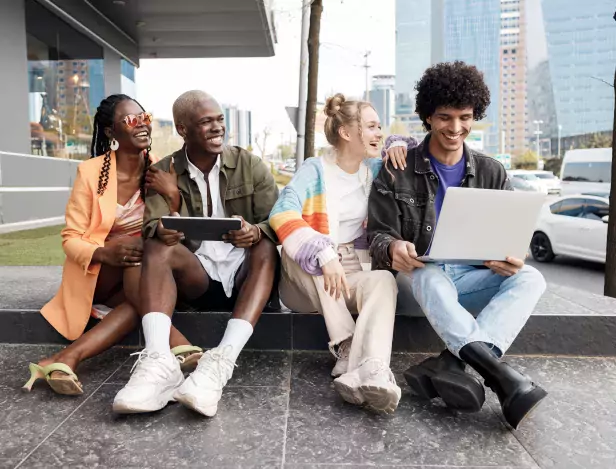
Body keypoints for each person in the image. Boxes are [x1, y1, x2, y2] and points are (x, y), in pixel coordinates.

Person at [368, 62, 548, 429]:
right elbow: (377, 235)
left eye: (465, 117)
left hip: (470, 277)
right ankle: (501, 377)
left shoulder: (492, 172)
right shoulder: (396, 168)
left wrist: (513, 257)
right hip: (418, 279)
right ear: (428, 117)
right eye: (444, 117)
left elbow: (514, 236)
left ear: (475, 115)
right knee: (430, 277)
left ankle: (454, 364)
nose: (455, 128)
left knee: (531, 279)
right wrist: (393, 247)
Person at [112, 90, 280, 417]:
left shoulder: (250, 165)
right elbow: (151, 227)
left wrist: (256, 230)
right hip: (198, 278)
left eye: (220, 120)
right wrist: (164, 229)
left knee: (266, 245)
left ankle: (221, 362)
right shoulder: (164, 170)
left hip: (249, 278)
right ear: (183, 129)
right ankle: (160, 362)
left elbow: (277, 220)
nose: (217, 128)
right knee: (159, 244)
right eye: (206, 122)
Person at [23, 94, 201, 395]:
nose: (142, 125)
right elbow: (71, 238)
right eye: (131, 120)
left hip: (140, 273)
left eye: (144, 118)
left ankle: (64, 359)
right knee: (139, 263)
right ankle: (177, 343)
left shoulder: (161, 171)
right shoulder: (91, 172)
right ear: (110, 132)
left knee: (137, 293)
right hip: (98, 271)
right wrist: (105, 251)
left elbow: (180, 232)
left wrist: (173, 196)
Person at [270, 93, 409, 414]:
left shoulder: (374, 169)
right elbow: (281, 212)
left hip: (350, 271)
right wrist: (323, 253)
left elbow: (417, 154)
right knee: (309, 250)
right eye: (372, 127)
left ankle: (372, 367)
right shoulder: (314, 169)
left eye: (380, 128)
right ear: (347, 133)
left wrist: (398, 142)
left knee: (382, 282)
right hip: (304, 280)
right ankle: (346, 345)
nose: (379, 134)